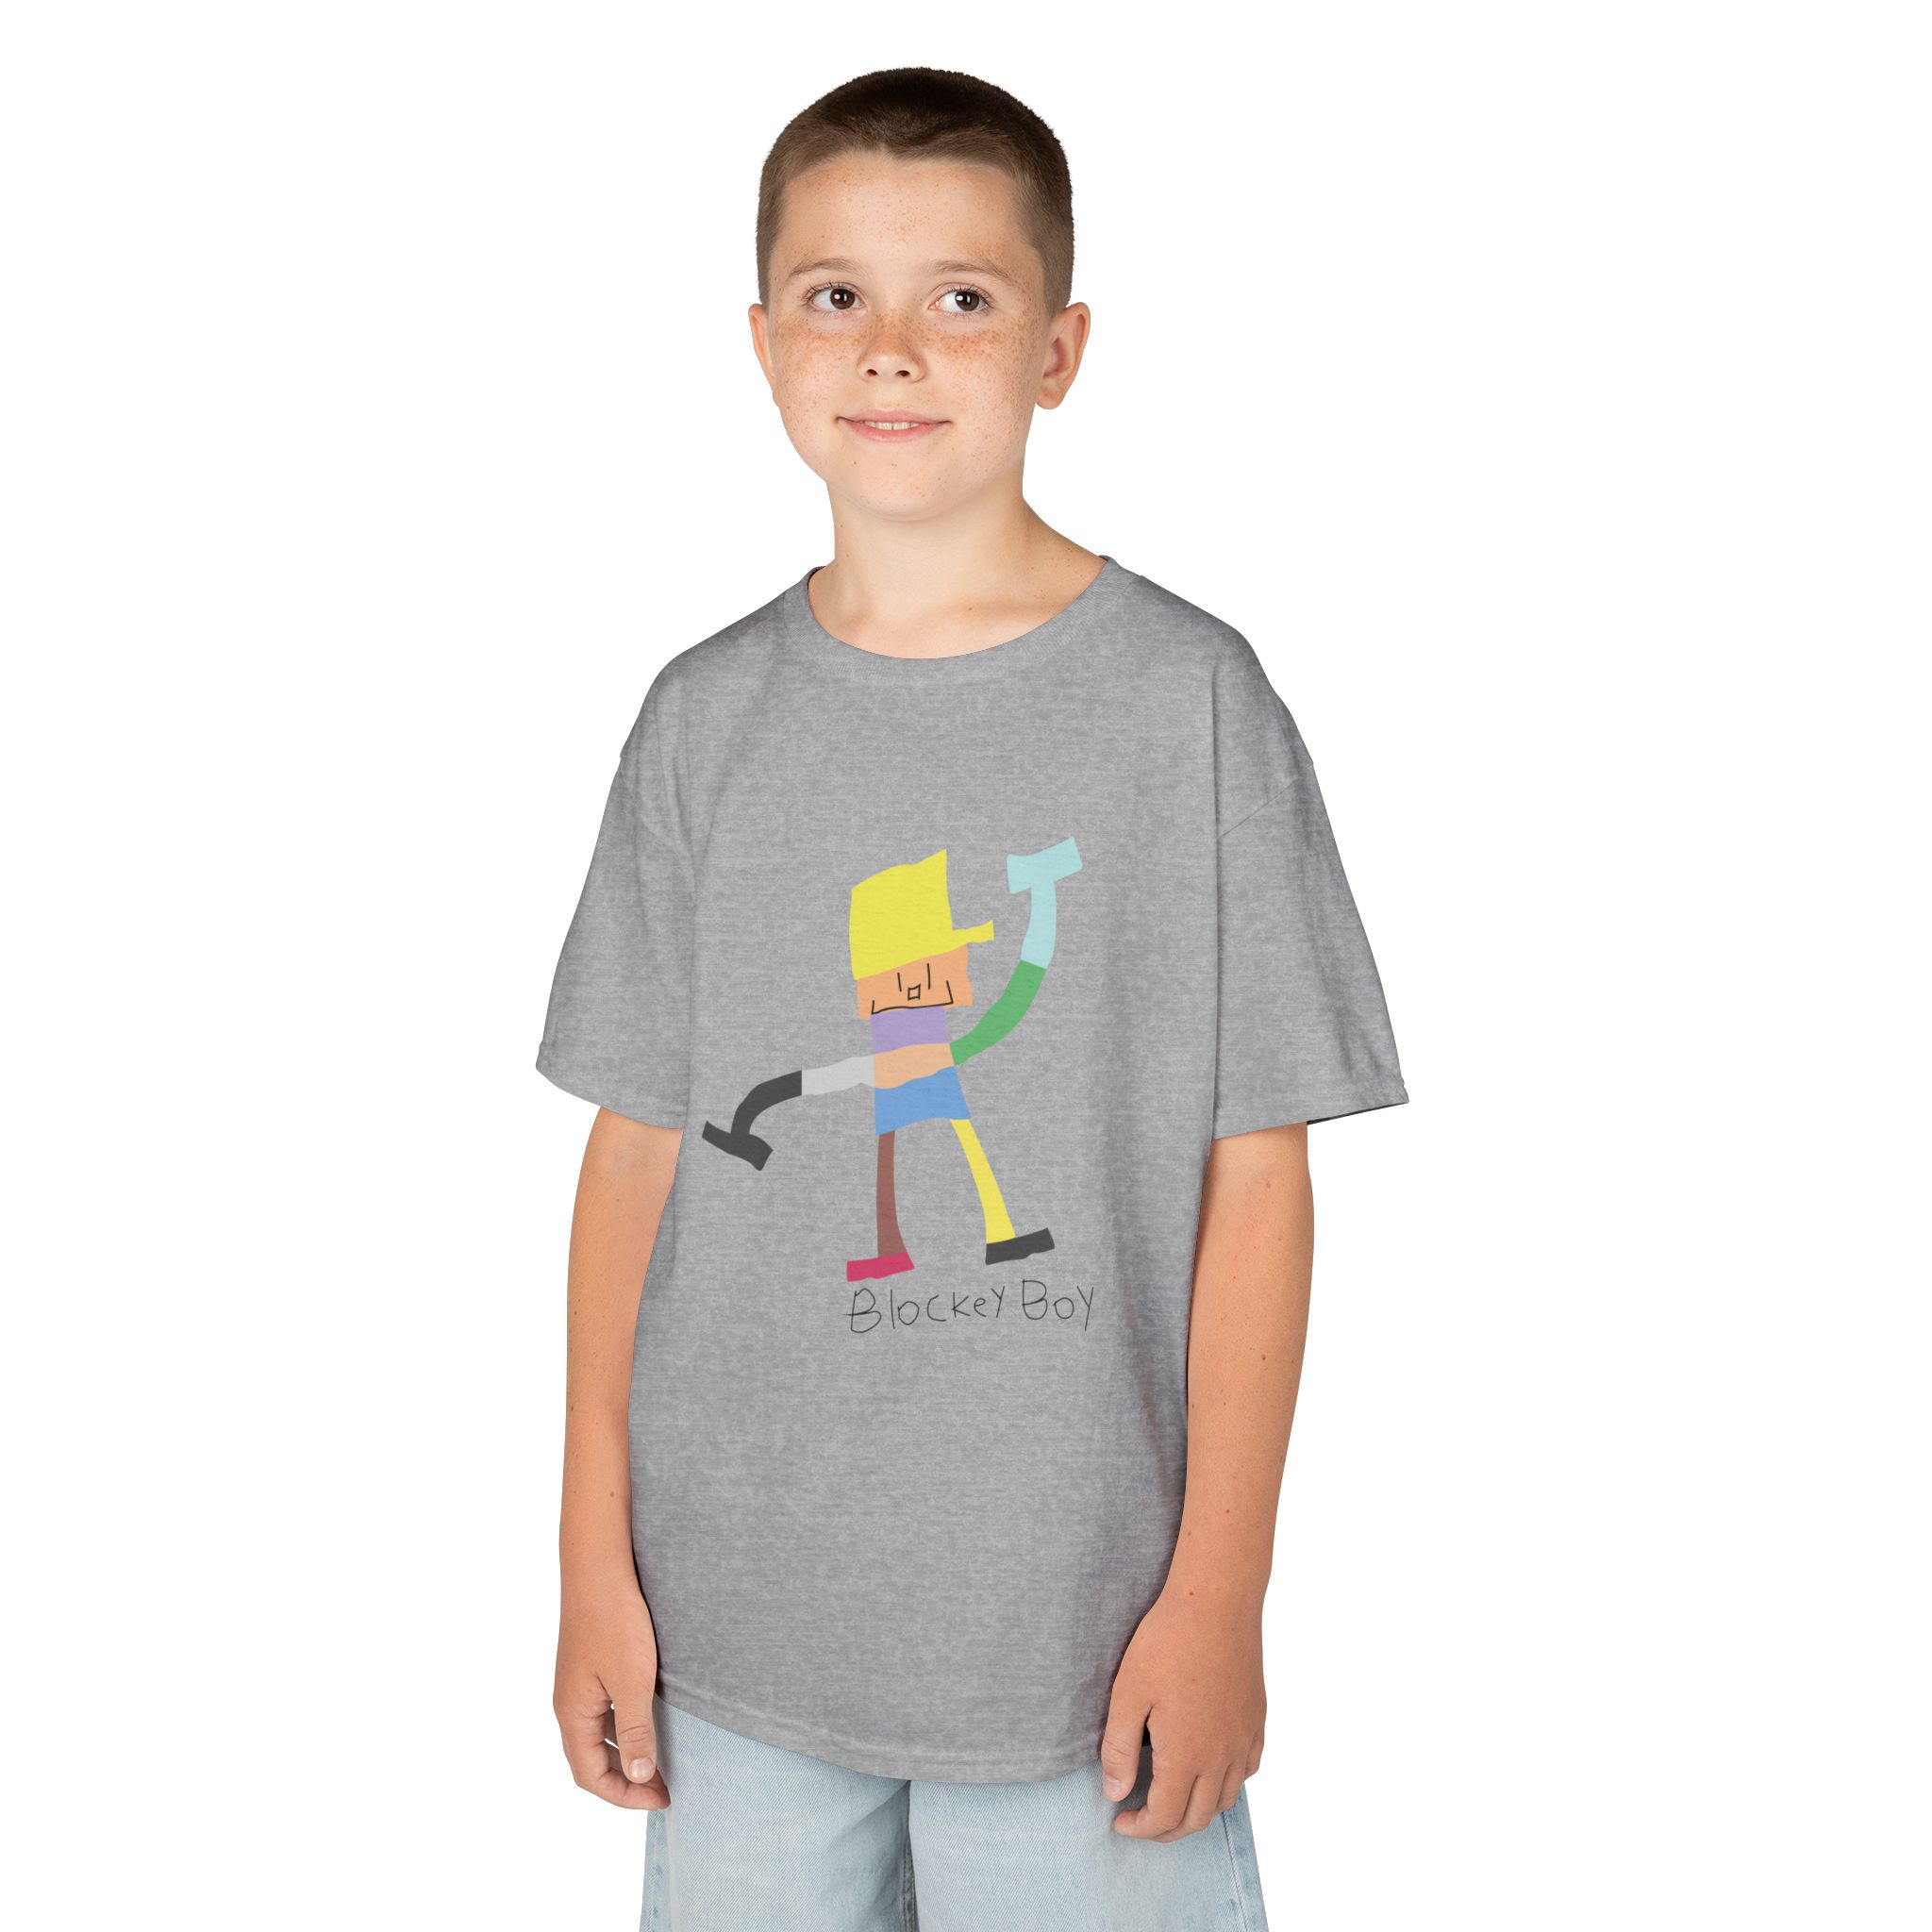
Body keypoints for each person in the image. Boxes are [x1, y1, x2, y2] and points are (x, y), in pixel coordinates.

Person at [536, 66, 1406, 1930]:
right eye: (835, 294)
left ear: (1059, 348)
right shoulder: (702, 721)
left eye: (962, 296)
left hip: (1080, 1645)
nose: (892, 347)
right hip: (737, 1631)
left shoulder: (1188, 705)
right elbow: (634, 1156)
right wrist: (589, 1559)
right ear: (762, 344)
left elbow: (1257, 1181)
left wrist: (1221, 1594)